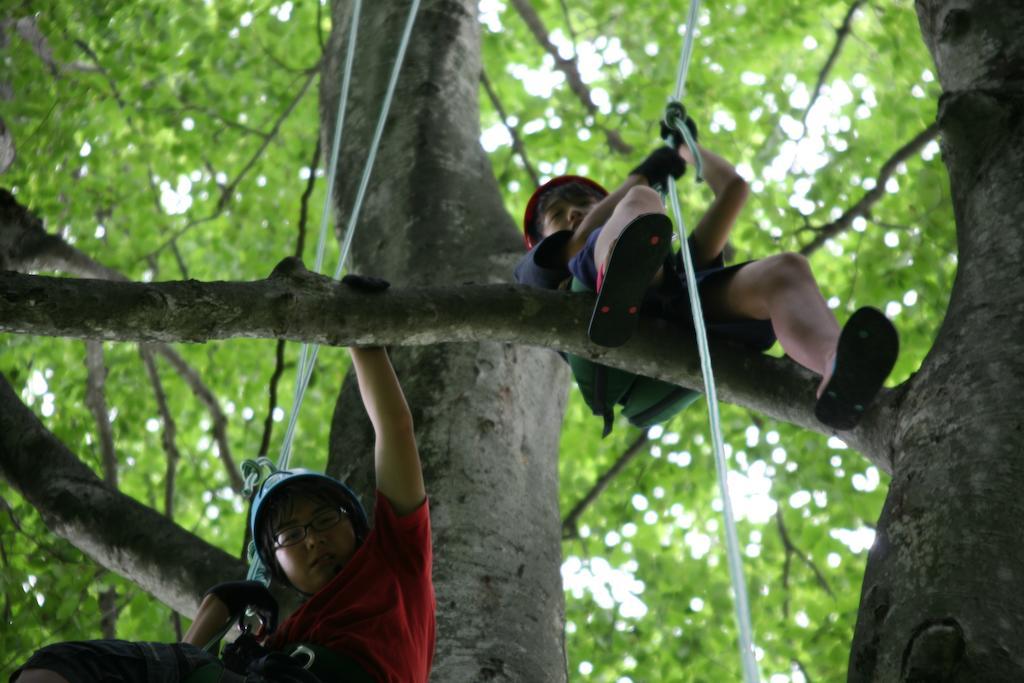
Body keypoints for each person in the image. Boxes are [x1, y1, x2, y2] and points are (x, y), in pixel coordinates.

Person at [12, 345, 434, 682]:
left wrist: (359, 335)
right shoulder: (288, 636)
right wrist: (217, 607)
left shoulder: (393, 565)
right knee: (59, 666)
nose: (311, 539)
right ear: (278, 568)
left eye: (325, 520)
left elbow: (395, 427)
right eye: (289, 535)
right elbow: (183, 666)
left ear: (356, 526)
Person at [514, 121, 898, 432]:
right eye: (558, 214)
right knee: (643, 202)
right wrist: (643, 175)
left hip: (669, 308)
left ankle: (836, 368)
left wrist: (686, 148)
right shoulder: (538, 269)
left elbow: (734, 190)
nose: (572, 214)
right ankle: (616, 272)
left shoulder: (668, 260)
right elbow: (580, 239)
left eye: (582, 203)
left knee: (786, 270)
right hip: (605, 358)